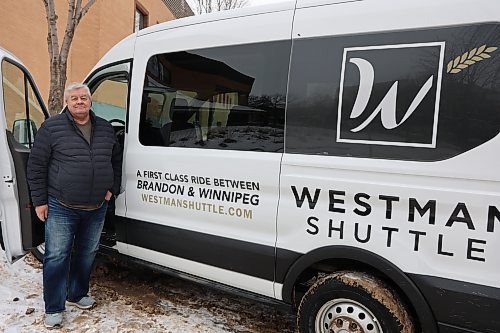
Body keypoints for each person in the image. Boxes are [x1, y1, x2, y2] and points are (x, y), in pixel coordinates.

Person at [27, 83, 122, 328]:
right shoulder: (52, 127)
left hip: (97, 205)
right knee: (57, 256)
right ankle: (54, 308)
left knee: (87, 253)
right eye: (75, 98)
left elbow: (116, 160)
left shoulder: (105, 128)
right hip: (61, 204)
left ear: (91, 101)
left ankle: (77, 293)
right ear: (67, 103)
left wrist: (112, 188)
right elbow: (36, 166)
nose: (80, 101)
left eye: (84, 97)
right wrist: (39, 201)